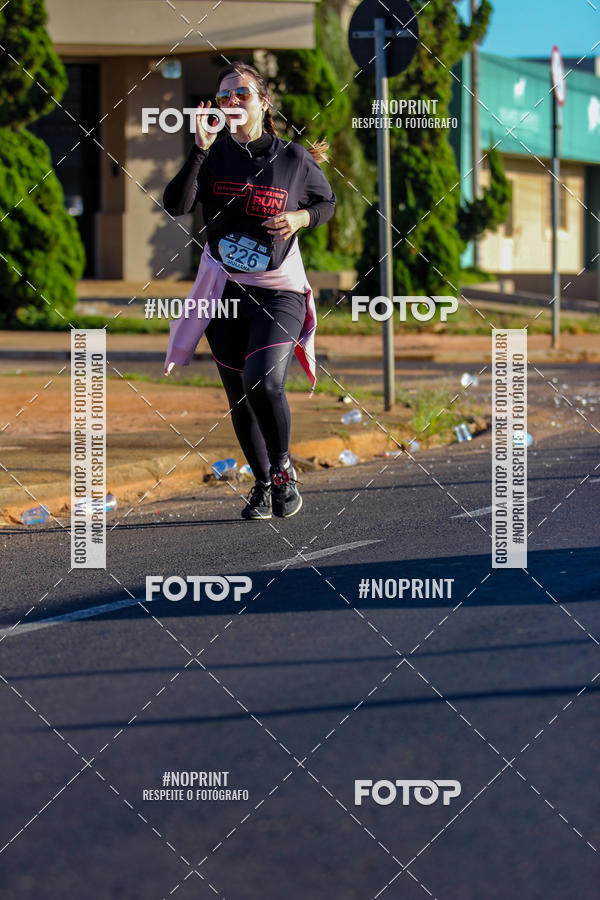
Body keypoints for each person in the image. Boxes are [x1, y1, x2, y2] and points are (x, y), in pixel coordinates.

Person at [163, 62, 335, 520]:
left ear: (264, 102)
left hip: (279, 291)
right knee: (239, 393)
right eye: (224, 97)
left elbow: (326, 203)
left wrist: (300, 219)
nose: (232, 103)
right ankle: (261, 484)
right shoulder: (214, 155)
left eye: (242, 94)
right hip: (225, 291)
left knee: (264, 379)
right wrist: (198, 151)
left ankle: (282, 471)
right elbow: (177, 205)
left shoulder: (294, 159)